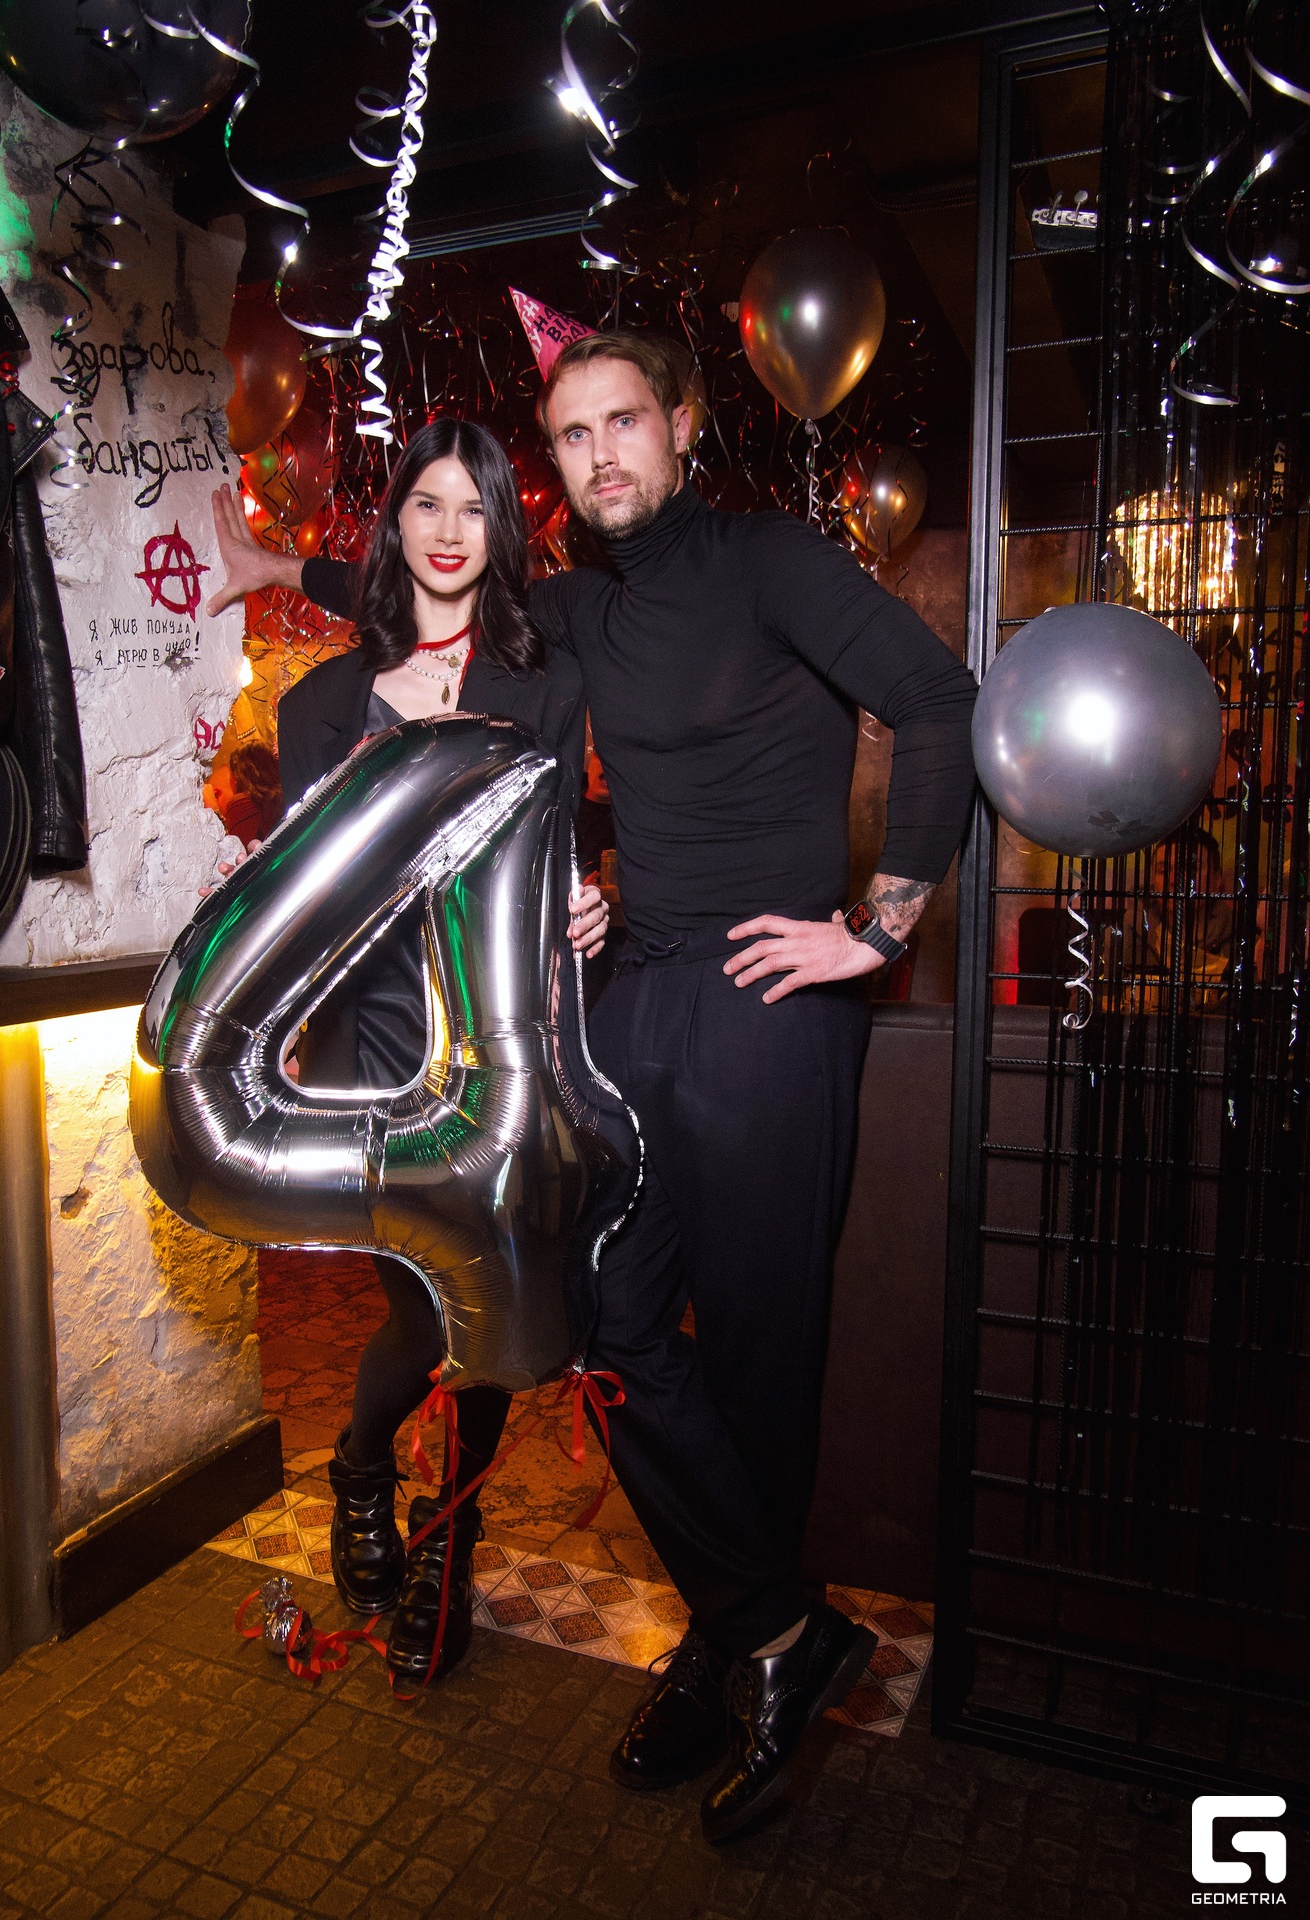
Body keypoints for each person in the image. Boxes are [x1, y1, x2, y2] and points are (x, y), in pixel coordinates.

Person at [524, 331, 978, 1843]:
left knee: (762, 1353)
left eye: (624, 421)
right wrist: (285, 566)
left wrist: (879, 931)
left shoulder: (769, 561)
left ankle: (734, 1659)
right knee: (600, 1321)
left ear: (682, 425)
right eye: (573, 433)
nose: (601, 453)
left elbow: (939, 701)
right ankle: (773, 1627)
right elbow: (431, 606)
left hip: (774, 1004)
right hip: (638, 999)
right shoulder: (578, 604)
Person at [206, 417, 608, 1694]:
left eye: (473, 508)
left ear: (500, 531)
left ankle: (452, 1534)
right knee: (417, 1306)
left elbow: (562, 846)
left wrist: (591, 902)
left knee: (493, 1289)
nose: (448, 531)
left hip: (503, 1031)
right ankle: (365, 1463)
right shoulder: (321, 704)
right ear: (395, 525)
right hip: (373, 1040)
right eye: (426, 504)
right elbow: (304, 903)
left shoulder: (544, 686)